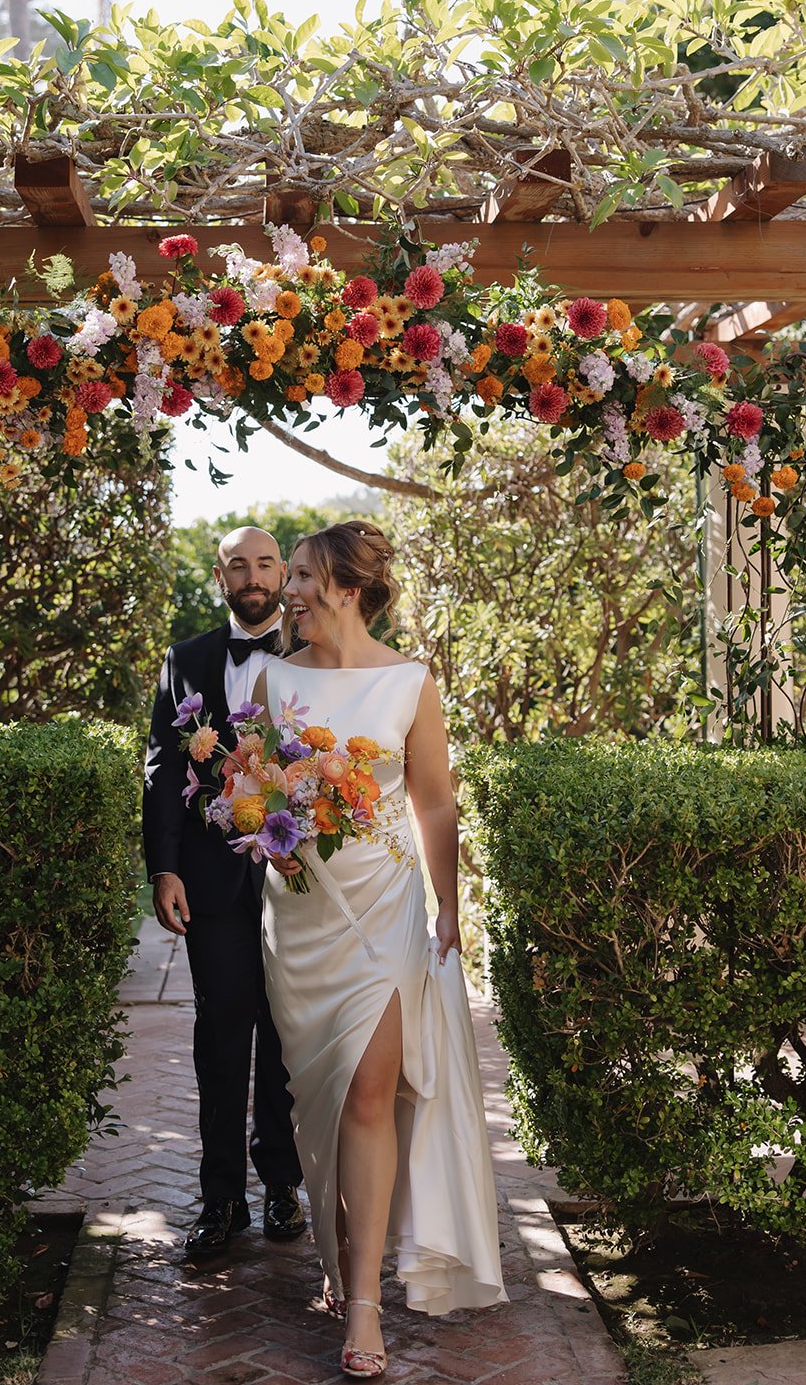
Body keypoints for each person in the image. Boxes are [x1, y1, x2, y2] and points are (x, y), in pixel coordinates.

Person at [251, 520, 506, 1381]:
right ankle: (335, 1254)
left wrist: (449, 905)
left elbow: (432, 801)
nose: (287, 592)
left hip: (386, 909)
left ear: (346, 588)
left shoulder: (409, 682)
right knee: (318, 1100)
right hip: (300, 917)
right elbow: (252, 786)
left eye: (300, 577)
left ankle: (364, 1304)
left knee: (368, 1089)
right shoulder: (271, 678)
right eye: (288, 577)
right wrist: (264, 829)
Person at [142, 525, 305, 1260]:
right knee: (220, 1037)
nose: (253, 577)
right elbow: (160, 769)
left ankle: (281, 1185)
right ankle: (220, 1199)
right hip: (211, 880)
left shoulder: (317, 655)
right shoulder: (186, 659)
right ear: (220, 577)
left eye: (265, 564)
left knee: (285, 1037)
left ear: (284, 572)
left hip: (297, 880)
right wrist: (164, 867)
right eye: (238, 565)